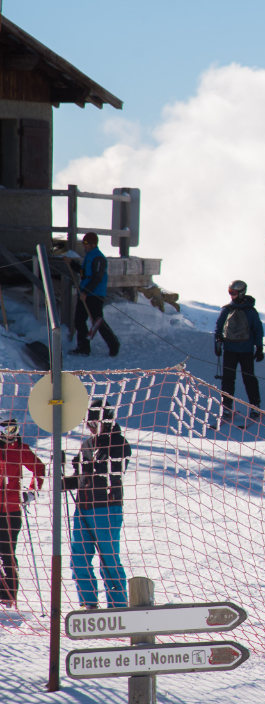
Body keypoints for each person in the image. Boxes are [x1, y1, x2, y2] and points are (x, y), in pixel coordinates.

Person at [63, 399, 132, 609]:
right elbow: (81, 477)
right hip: (83, 508)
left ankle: (118, 606)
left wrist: (87, 467)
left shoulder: (118, 443)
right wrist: (65, 481)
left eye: (94, 423)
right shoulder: (87, 444)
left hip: (106, 508)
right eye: (88, 423)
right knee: (79, 559)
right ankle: (89, 604)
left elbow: (113, 471)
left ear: (107, 421)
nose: (90, 427)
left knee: (108, 560)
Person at [0, 419, 44, 608]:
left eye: (14, 430)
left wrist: (32, 491)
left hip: (11, 511)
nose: (11, 434)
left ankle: (9, 598)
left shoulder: (20, 449)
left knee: (7, 553)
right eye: (8, 430)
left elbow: (39, 468)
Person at [214, 280, 265, 421]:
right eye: (230, 292)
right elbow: (218, 329)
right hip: (237, 350)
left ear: (242, 292)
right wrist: (217, 345)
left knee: (240, 379)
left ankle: (254, 406)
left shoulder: (231, 310)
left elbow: (258, 329)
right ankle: (228, 406)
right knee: (232, 379)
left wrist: (259, 347)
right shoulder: (244, 310)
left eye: (234, 292)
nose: (231, 295)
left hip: (238, 350)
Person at [69, 232, 121, 357]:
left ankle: (114, 344)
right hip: (84, 293)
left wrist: (86, 292)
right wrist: (71, 263)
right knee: (79, 320)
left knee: (97, 321)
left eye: (86, 243)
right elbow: (83, 272)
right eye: (83, 242)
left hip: (94, 294)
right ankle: (83, 348)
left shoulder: (98, 258)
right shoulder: (89, 256)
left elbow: (97, 278)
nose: (84, 245)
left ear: (93, 244)